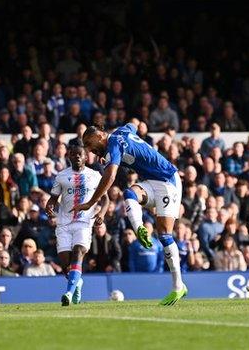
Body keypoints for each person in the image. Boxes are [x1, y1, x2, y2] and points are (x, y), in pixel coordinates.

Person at [77, 119, 187, 305]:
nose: (88, 150)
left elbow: (110, 176)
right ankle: (139, 229)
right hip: (152, 182)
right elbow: (134, 123)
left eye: (89, 144)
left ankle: (178, 286)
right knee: (129, 193)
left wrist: (91, 202)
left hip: (168, 180)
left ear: (100, 135)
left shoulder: (113, 144)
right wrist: (140, 127)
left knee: (164, 234)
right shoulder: (121, 132)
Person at [44, 144, 109, 306]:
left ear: (86, 157)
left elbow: (106, 199)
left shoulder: (95, 175)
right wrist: (49, 206)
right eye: (73, 155)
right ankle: (77, 283)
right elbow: (53, 198)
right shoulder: (61, 176)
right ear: (69, 157)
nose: (77, 157)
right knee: (66, 264)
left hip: (84, 222)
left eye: (80, 154)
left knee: (78, 252)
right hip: (64, 223)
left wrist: (101, 214)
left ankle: (68, 292)